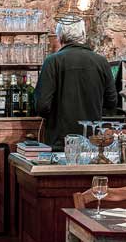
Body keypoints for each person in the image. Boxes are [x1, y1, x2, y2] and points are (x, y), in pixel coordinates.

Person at [34, 17, 118, 150]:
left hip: (60, 142)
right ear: (83, 35)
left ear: (60, 37)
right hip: (93, 140)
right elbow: (112, 102)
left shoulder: (52, 62)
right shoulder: (101, 62)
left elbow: (42, 105)